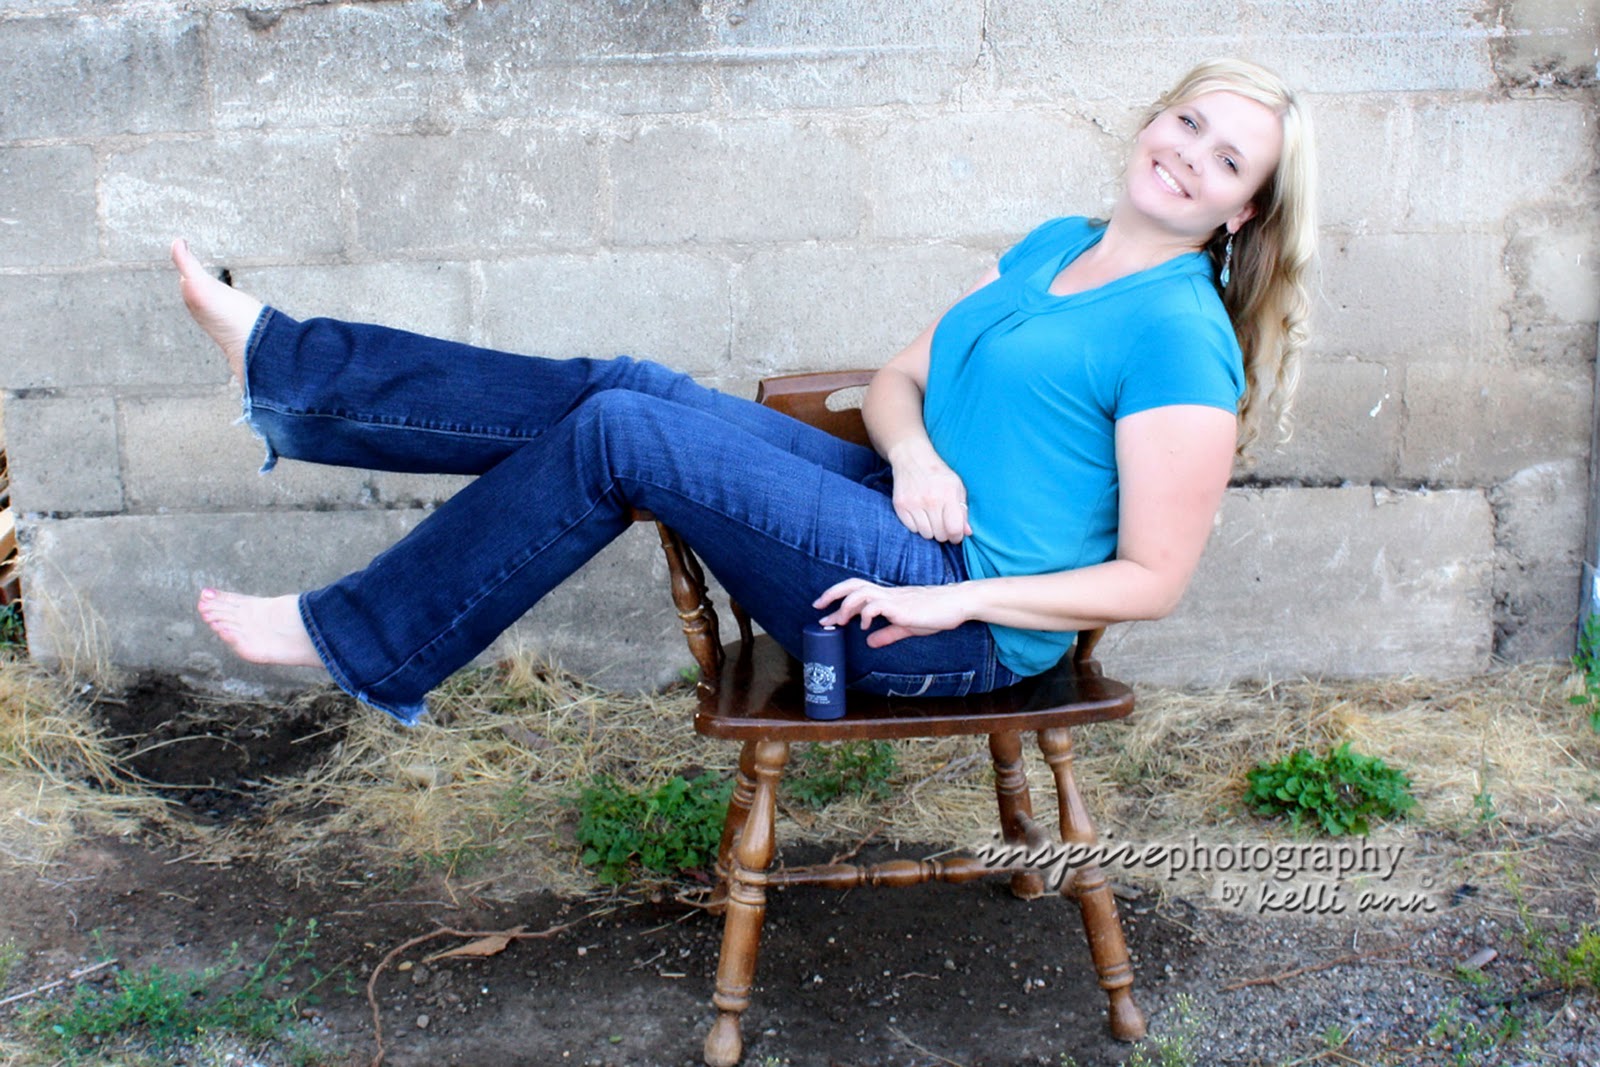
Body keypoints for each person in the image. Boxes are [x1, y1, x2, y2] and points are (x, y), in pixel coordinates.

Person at [180, 58, 1316, 725]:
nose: (1189, 155)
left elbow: (1153, 581)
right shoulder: (1056, 243)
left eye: (1226, 160)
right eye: (1188, 123)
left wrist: (953, 603)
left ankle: (362, 634)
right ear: (1154, 117)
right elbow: (895, 379)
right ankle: (291, 375)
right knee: (629, 384)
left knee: (623, 431)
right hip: (893, 504)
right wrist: (917, 454)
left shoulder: (1177, 336)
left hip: (939, 616)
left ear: (1243, 212)